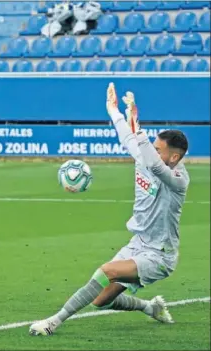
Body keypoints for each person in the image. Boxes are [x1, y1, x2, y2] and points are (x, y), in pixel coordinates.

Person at [29, 82, 190, 336]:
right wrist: (113, 110)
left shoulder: (178, 179)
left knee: (107, 271)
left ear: (174, 157)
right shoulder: (146, 158)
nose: (151, 153)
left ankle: (53, 322)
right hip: (138, 243)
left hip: (160, 256)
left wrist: (137, 125)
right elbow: (127, 137)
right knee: (101, 300)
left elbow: (155, 166)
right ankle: (150, 308)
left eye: (159, 150)